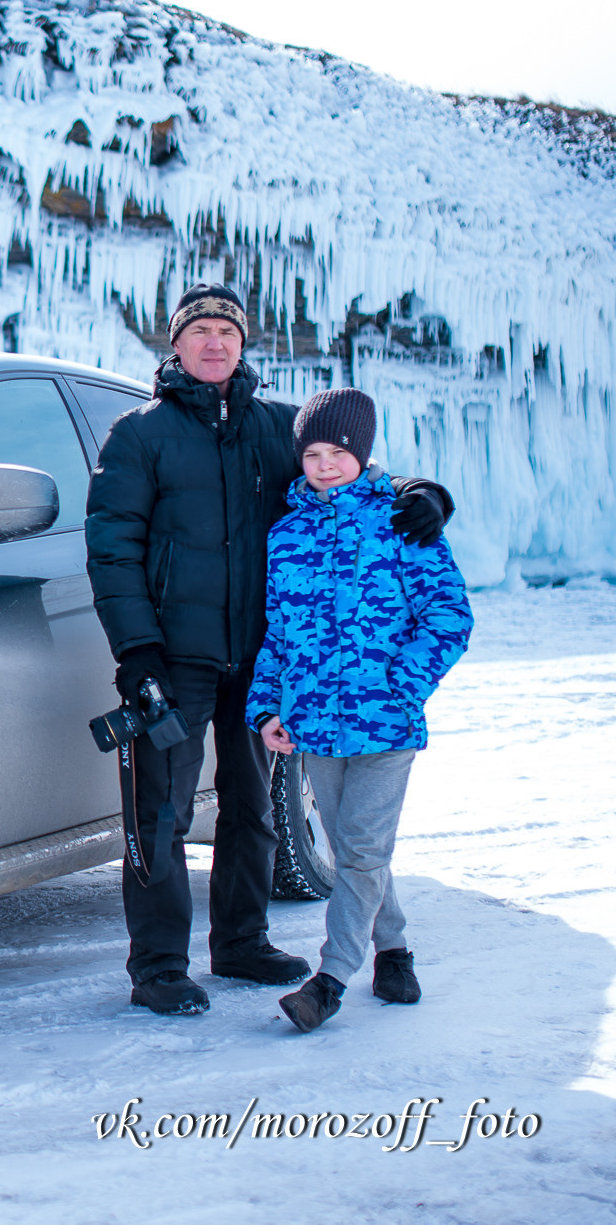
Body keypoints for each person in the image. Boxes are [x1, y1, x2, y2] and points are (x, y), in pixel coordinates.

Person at [85, 284, 454, 1016]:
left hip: (259, 657)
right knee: (160, 811)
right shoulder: (139, 435)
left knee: (252, 807)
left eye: (227, 330)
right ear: (177, 346)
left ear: (243, 343)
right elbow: (113, 551)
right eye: (200, 332)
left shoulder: (279, 430)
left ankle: (242, 942)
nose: (214, 343)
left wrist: (426, 493)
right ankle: (158, 965)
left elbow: (351, 477)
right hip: (176, 656)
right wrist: (138, 651)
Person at [247, 389, 473, 1032]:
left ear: (362, 451)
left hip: (387, 723)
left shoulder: (401, 520)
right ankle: (394, 948)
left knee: (362, 852)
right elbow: (279, 635)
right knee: (356, 850)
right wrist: (268, 709)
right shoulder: (286, 535)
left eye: (338, 451)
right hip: (315, 725)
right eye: (312, 453)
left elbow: (449, 617)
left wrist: (402, 683)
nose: (324, 464)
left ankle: (331, 980)